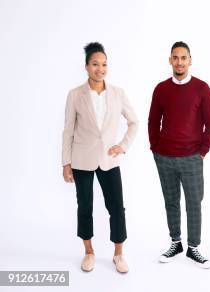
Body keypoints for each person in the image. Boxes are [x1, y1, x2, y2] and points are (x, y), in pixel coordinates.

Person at [62, 42, 138, 273]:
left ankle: (118, 254)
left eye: (104, 64)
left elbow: (134, 122)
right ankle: (89, 252)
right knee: (84, 206)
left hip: (109, 159)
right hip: (81, 159)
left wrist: (122, 146)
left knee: (117, 207)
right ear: (86, 66)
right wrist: (66, 162)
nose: (100, 68)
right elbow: (68, 130)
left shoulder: (118, 93)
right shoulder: (75, 95)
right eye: (95, 64)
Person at [148, 41, 210, 269]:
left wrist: (202, 152)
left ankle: (193, 247)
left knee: (194, 203)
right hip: (165, 157)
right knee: (171, 202)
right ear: (170, 60)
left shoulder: (202, 88)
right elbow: (153, 121)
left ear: (190, 60)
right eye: (175, 58)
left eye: (183, 58)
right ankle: (175, 242)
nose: (179, 62)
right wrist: (155, 148)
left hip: (191, 158)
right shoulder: (161, 89)